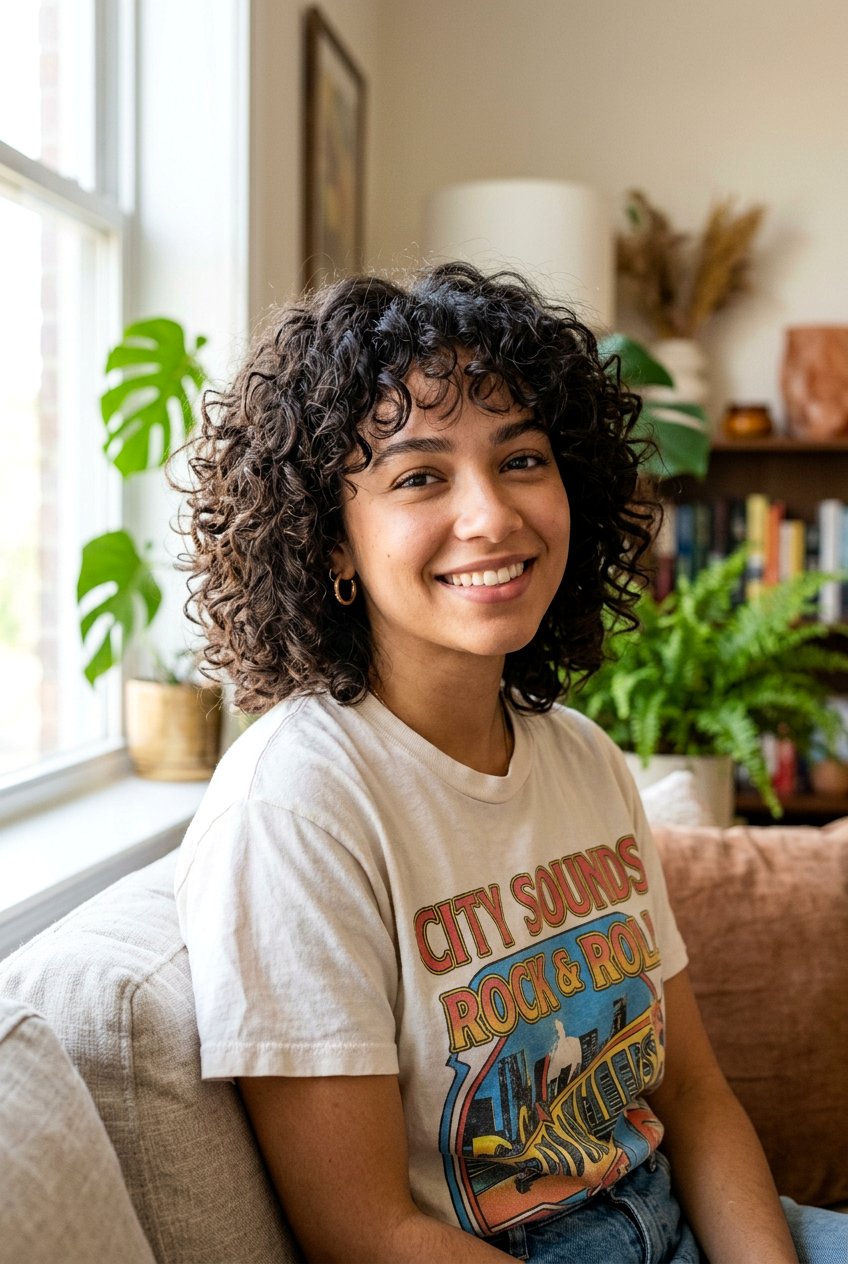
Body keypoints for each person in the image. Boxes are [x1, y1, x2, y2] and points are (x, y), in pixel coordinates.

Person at [175, 263, 846, 1263]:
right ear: (330, 543)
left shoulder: (582, 757)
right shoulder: (295, 806)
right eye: (419, 476)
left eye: (521, 458)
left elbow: (693, 1095)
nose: (491, 516)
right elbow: (367, 1231)